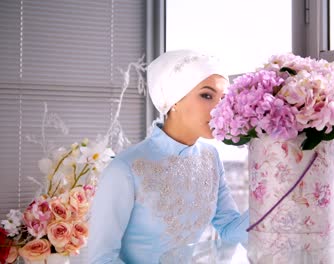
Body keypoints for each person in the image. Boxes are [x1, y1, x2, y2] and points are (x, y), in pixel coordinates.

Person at [88, 49, 249, 263]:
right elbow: (101, 259)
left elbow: (229, 228)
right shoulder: (126, 168)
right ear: (174, 100)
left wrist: (277, 192)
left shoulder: (210, 157)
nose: (219, 109)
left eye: (224, 98)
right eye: (207, 96)